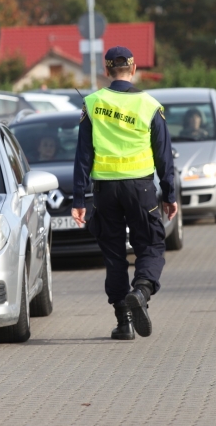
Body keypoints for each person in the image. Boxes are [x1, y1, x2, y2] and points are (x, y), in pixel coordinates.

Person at [72, 46, 178, 341]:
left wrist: (78, 200)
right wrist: (170, 195)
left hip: (104, 190)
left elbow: (83, 156)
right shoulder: (149, 105)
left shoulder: (92, 103)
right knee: (151, 246)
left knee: (114, 254)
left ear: (106, 71)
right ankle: (142, 292)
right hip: (141, 189)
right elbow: (164, 157)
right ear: (133, 70)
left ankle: (124, 323)